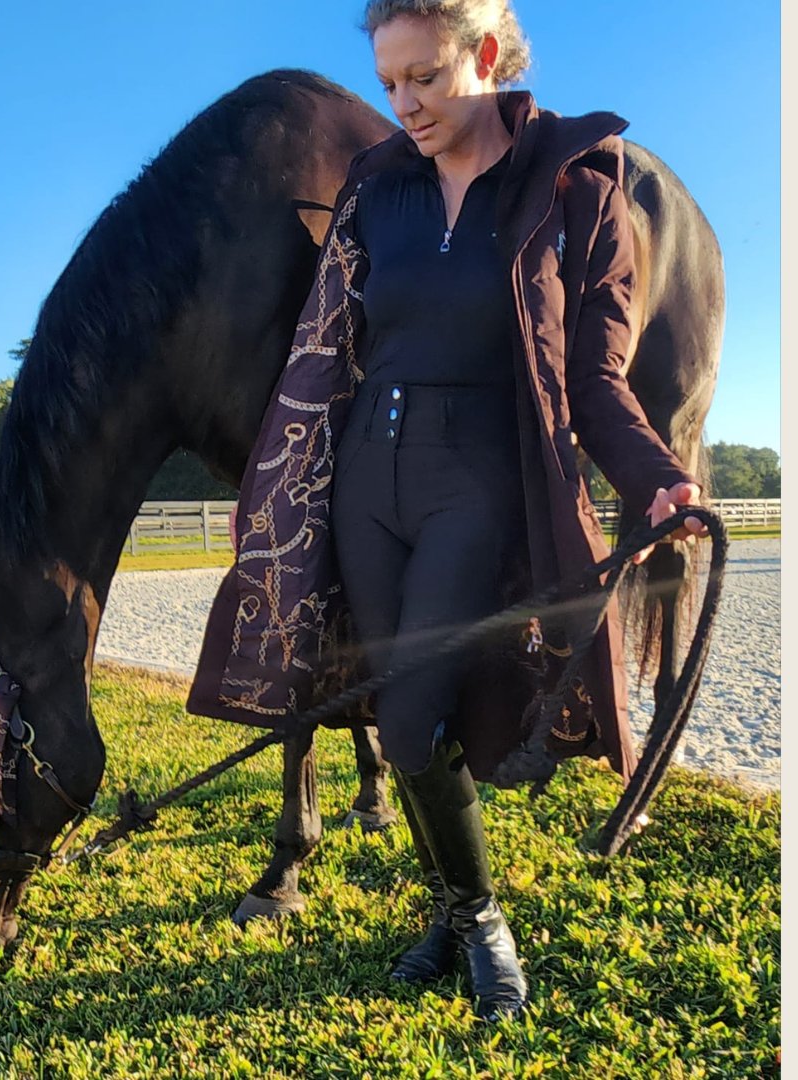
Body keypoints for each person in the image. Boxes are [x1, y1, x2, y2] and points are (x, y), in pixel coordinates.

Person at [190, 0, 706, 1022]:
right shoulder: (378, 192)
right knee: (393, 711)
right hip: (367, 485)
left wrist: (656, 476)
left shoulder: (577, 189)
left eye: (422, 77)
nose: (402, 104)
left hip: (477, 483)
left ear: (482, 55)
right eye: (388, 82)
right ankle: (449, 912)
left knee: (422, 722)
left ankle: (478, 921)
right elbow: (326, 347)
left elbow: (595, 384)